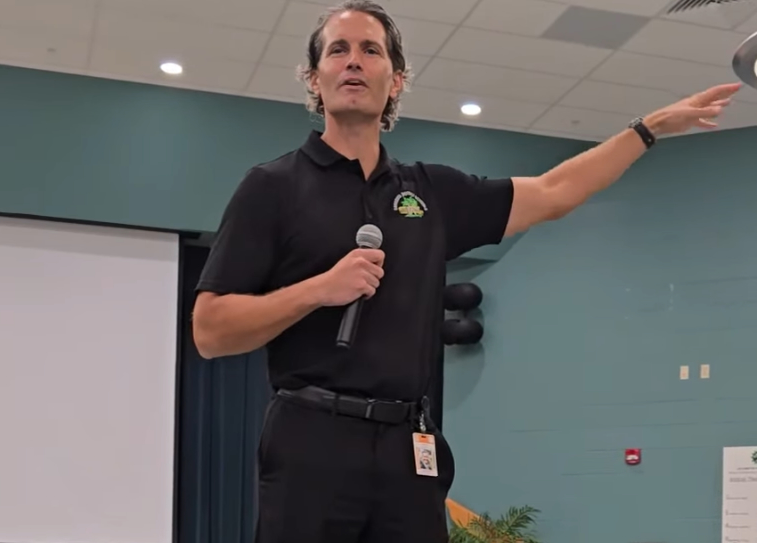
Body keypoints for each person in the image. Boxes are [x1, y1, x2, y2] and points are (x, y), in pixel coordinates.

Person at [191, 1, 740, 541]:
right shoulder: (272, 188)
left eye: (370, 50)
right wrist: (317, 290)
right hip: (311, 439)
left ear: (397, 79)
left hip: (410, 443)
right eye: (338, 50)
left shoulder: (430, 192)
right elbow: (211, 331)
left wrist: (647, 130)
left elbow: (552, 193)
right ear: (315, 79)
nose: (353, 61)